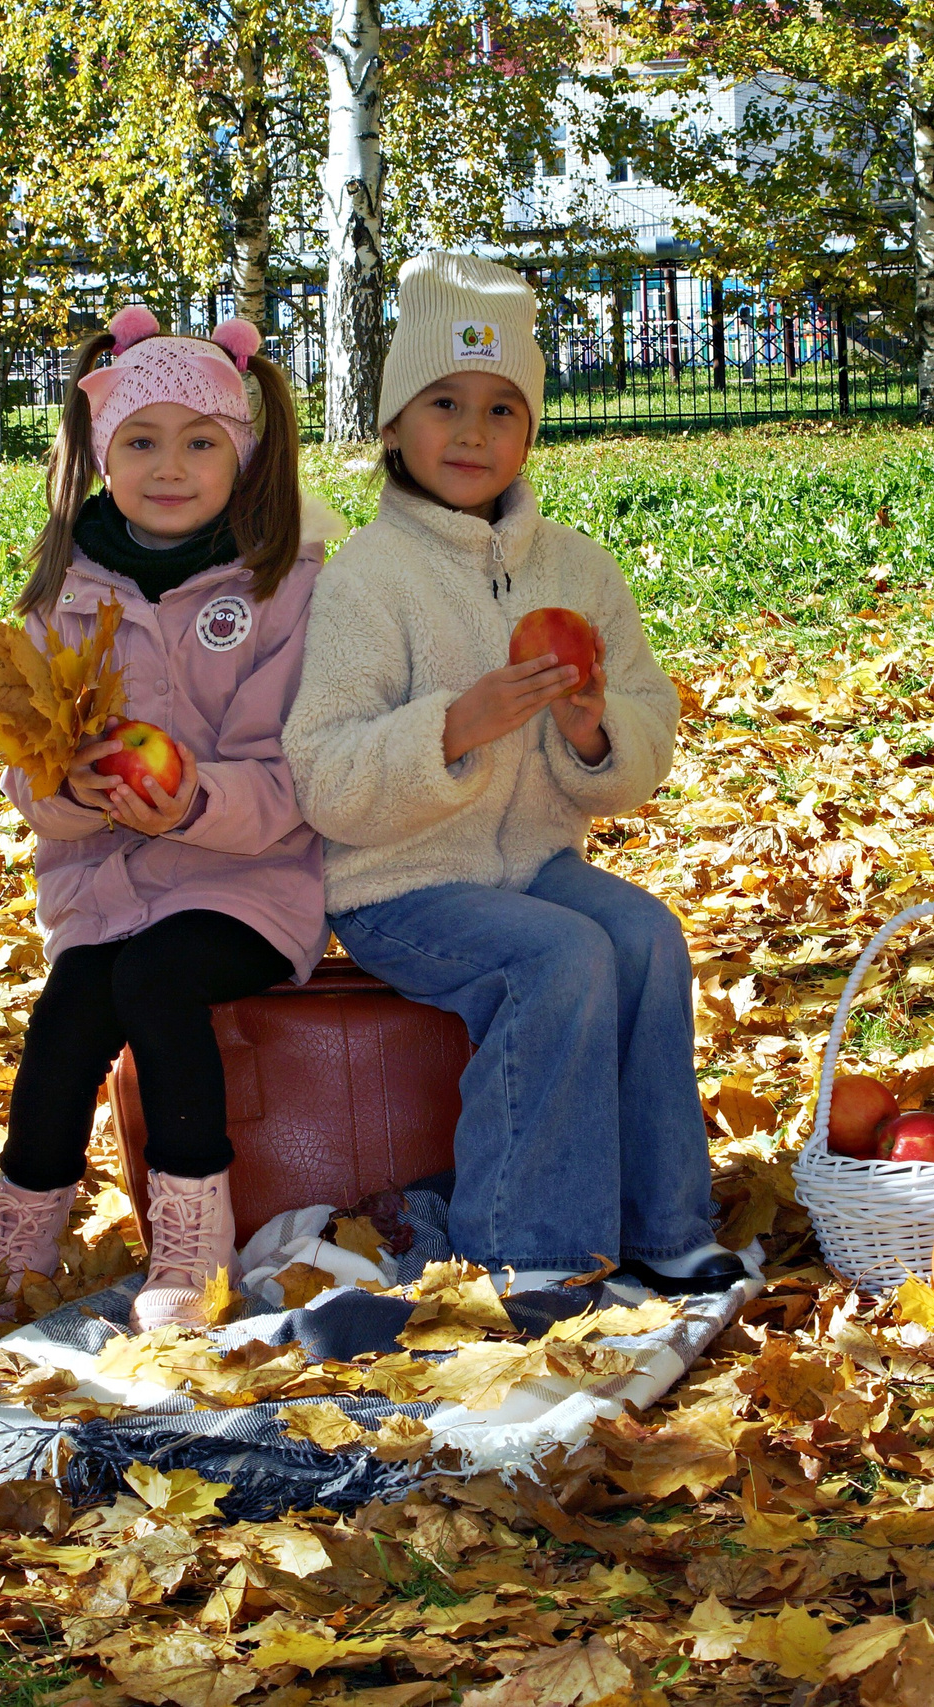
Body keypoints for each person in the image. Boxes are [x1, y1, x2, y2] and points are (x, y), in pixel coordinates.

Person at [281, 253, 745, 1298]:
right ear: (393, 423)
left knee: (643, 934)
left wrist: (593, 732)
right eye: (443, 403)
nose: (473, 432)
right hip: (399, 883)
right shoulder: (368, 580)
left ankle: (663, 1225)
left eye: (502, 408)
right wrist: (453, 729)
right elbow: (323, 771)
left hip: (533, 861)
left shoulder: (576, 570)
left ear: (532, 429)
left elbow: (649, 727)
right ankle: (529, 1248)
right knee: (559, 957)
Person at [0, 306, 329, 1332]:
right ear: (101, 454)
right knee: (70, 1012)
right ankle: (20, 1237)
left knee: (156, 979)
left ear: (243, 455)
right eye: (140, 441)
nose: (169, 467)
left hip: (247, 885)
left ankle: (191, 1242)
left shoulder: (281, 590)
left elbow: (293, 775)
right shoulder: (64, 596)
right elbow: (25, 769)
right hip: (109, 887)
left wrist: (193, 800)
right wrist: (71, 794)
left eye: (199, 442)